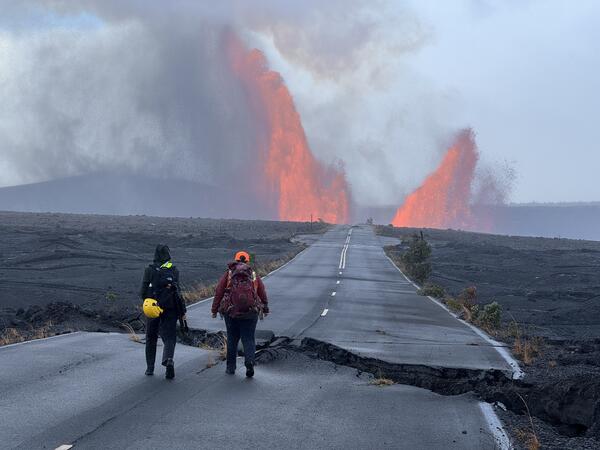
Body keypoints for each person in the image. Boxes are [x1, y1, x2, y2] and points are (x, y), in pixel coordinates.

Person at [211, 251, 269, 377]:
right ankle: (249, 363)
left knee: (232, 339)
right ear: (247, 261)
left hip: (230, 312)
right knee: (248, 339)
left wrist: (214, 310)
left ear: (236, 260)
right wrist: (265, 307)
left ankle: (230, 368)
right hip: (250, 312)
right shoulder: (253, 274)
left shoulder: (229, 274)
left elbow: (219, 292)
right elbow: (262, 291)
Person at [140, 244, 187, 379]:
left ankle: (150, 368)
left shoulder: (149, 270)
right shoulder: (173, 270)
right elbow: (178, 291)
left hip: (153, 307)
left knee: (151, 337)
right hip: (170, 307)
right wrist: (182, 309)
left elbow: (142, 291)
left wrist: (148, 300)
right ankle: (169, 359)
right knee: (170, 336)